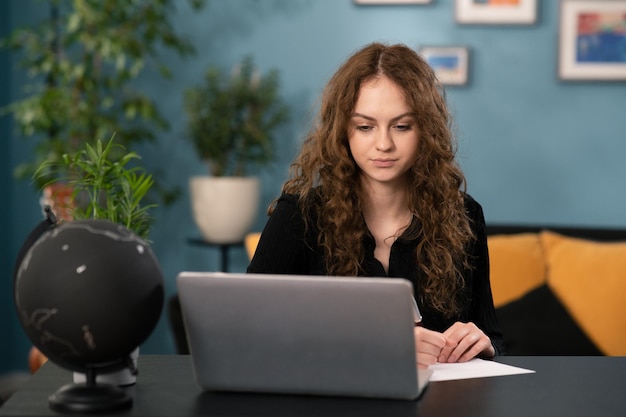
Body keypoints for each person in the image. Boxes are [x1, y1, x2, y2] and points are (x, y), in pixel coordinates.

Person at [247, 42, 504, 368]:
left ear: (426, 130)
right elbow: (251, 333)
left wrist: (482, 344)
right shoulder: (298, 217)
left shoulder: (464, 216)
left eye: (402, 126)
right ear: (343, 131)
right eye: (365, 127)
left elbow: (493, 334)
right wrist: (382, 347)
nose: (384, 144)